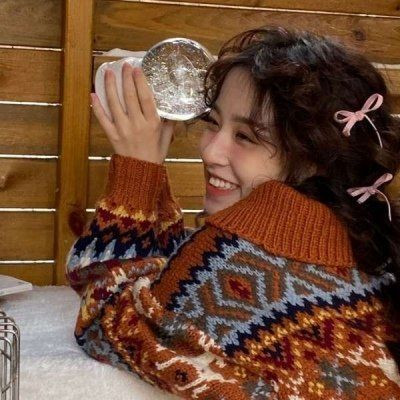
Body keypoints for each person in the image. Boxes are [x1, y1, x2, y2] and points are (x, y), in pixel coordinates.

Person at [66, 27, 400, 399]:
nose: (210, 151)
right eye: (212, 122)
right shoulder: (365, 239)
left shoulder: (234, 257)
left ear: (313, 159)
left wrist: (137, 171)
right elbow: (174, 276)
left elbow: (104, 319)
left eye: (245, 136)